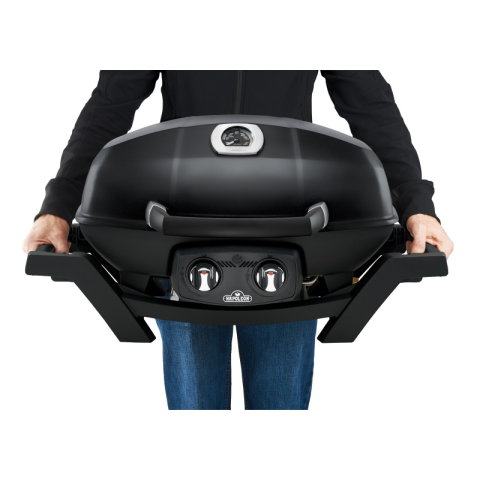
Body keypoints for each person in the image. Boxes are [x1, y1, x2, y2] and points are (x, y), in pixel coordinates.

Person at [23, 71, 454, 410]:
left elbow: (368, 102)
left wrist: (417, 206)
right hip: (180, 226)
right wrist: (57, 207)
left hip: (291, 229)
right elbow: (112, 101)